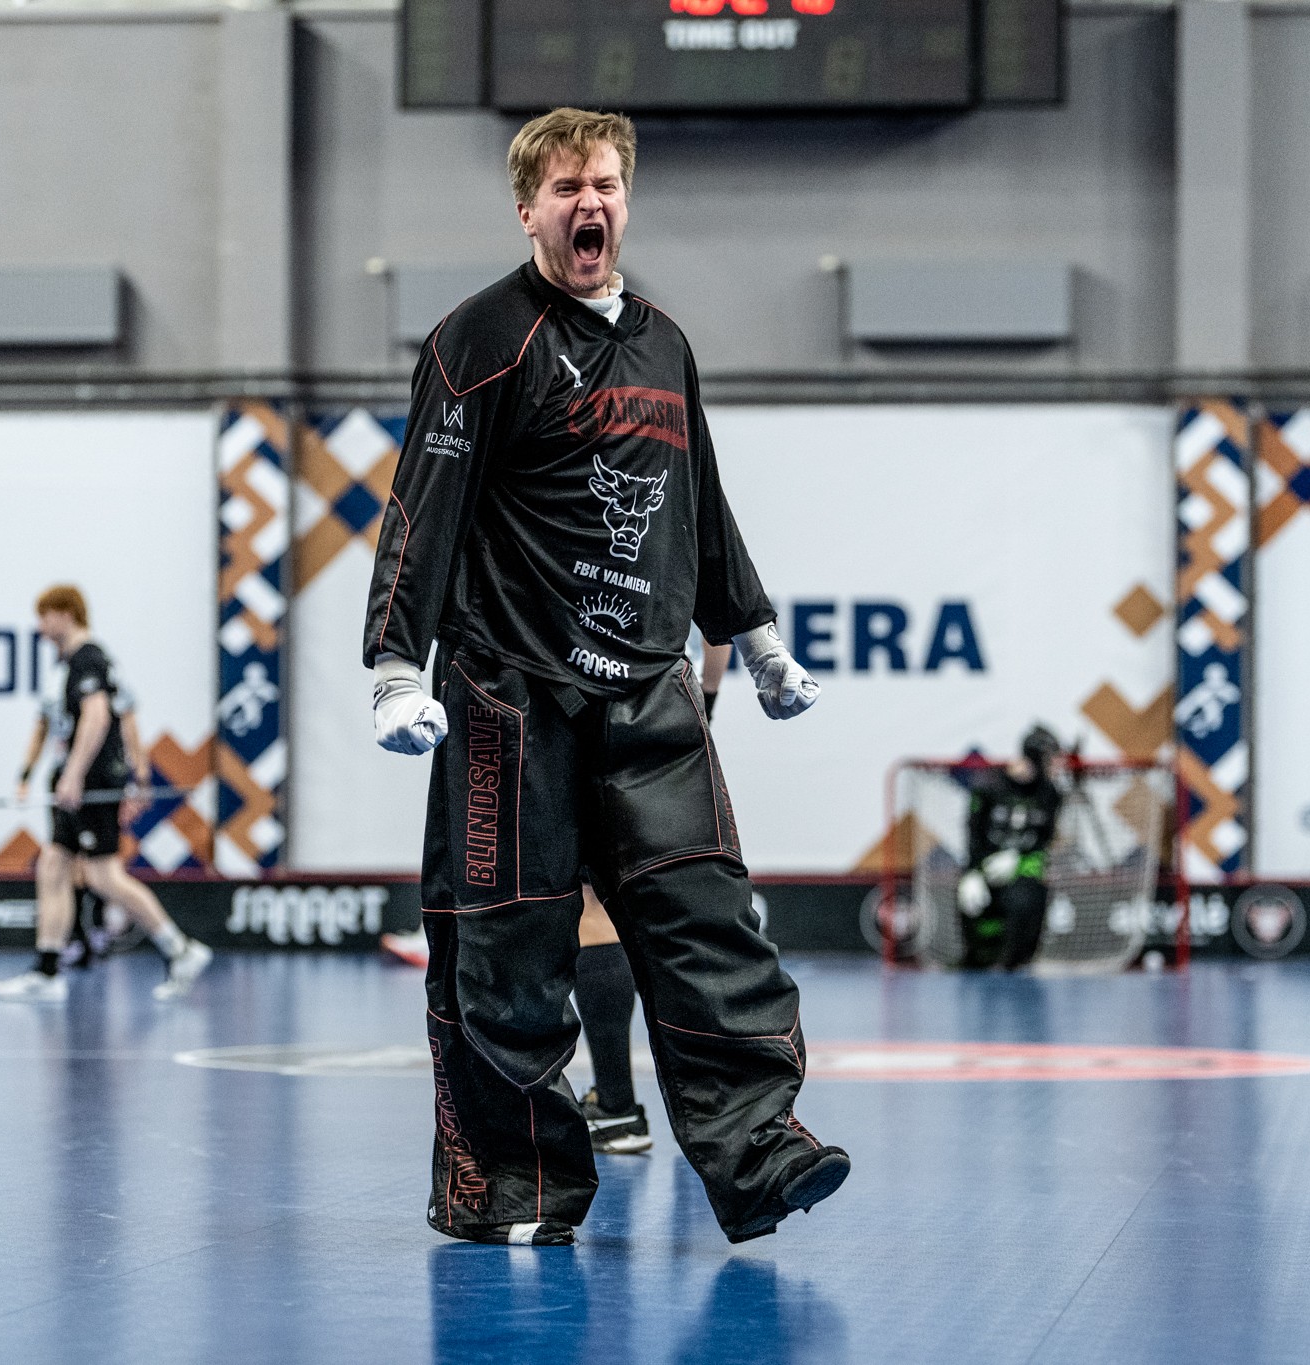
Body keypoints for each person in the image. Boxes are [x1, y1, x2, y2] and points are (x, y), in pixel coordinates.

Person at [362, 108, 847, 1248]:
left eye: (608, 185)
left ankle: (758, 1153)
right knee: (507, 952)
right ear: (527, 210)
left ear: (626, 202)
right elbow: (420, 510)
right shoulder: (479, 338)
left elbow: (699, 504)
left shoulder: (664, 344)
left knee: (710, 923)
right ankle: (513, 1186)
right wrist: (393, 664)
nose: (591, 203)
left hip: (648, 693)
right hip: (509, 695)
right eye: (568, 187)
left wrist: (757, 637)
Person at [0, 585, 213, 1003]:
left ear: (66, 614)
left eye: (45, 616)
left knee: (102, 876)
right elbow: (48, 726)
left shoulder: (89, 658)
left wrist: (76, 775)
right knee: (53, 865)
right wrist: (33, 774)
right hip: (76, 779)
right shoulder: (67, 665)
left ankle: (179, 949)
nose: (40, 626)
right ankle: (47, 969)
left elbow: (99, 718)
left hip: (91, 781)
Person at [574, 637, 730, 1156]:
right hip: (672, 710)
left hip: (595, 707)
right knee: (675, 906)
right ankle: (714, 1112)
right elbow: (722, 623)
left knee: (593, 902)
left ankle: (617, 1106)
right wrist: (705, 700)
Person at [12, 661, 155, 968]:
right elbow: (42, 729)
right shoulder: (56, 681)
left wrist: (139, 777)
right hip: (66, 782)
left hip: (96, 781)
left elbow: (127, 726)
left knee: (98, 868)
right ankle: (69, 942)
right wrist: (25, 774)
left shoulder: (97, 671)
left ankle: (169, 944)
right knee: (61, 860)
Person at [956, 724, 1066, 972]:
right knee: (970, 901)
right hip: (987, 866)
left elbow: (1044, 840)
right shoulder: (989, 787)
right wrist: (973, 872)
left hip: (1023, 865)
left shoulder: (1050, 794)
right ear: (1036, 757)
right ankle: (979, 958)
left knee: (1026, 899)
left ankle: (1015, 962)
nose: (1057, 766)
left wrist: (1018, 859)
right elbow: (973, 834)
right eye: (1051, 759)